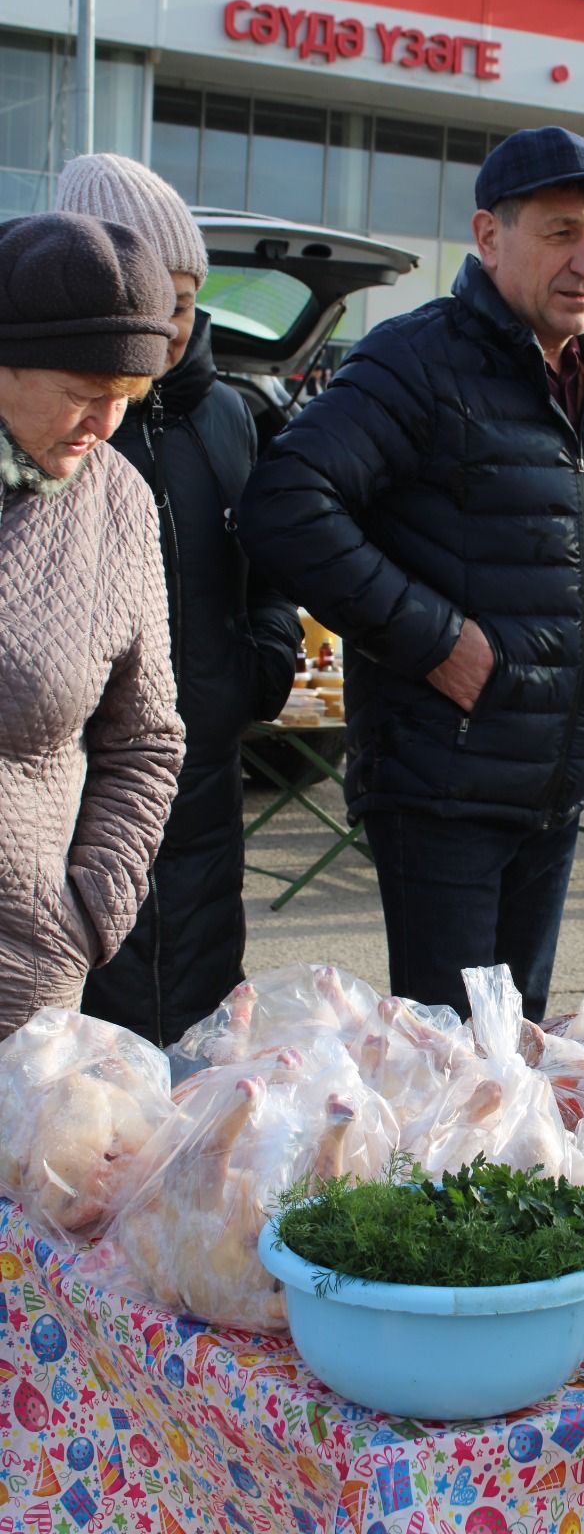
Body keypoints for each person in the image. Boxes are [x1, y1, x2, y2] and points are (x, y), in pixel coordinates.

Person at [239, 125, 584, 1021]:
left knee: (513, 1049)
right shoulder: (417, 360)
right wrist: (437, 642)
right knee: (449, 1064)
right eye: (560, 232)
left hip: (558, 781)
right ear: (489, 237)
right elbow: (285, 502)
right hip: (444, 787)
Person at [56, 154, 301, 1047]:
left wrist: (259, 667)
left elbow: (268, 568)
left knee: (198, 1041)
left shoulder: (231, 416)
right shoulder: (56, 420)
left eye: (184, 304)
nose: (163, 331)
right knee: (80, 1062)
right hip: (75, 790)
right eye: (145, 302)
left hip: (204, 785)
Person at [0, 212, 185, 1039]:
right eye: (82, 393)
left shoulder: (118, 504)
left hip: (29, 979)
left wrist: (90, 911)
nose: (104, 426)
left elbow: (145, 740)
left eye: (126, 399)